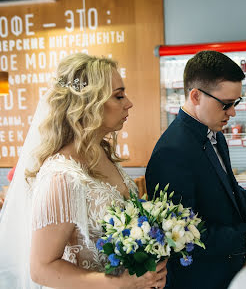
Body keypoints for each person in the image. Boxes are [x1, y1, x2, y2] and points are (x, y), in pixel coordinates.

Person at [0, 53, 167, 288]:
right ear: (89, 103)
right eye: (119, 96)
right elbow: (41, 268)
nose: (129, 103)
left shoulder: (103, 154)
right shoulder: (61, 176)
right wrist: (119, 284)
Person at [145, 50, 246, 289]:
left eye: (236, 103)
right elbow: (186, 237)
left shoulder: (214, 134)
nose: (233, 112)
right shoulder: (171, 152)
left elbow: (230, 191)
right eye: (226, 104)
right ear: (195, 96)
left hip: (228, 272)